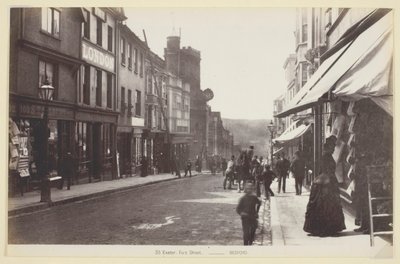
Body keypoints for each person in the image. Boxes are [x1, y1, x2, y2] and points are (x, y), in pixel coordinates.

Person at [303, 142, 346, 237]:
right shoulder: (327, 158)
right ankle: (327, 229)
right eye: (332, 148)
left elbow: (319, 171)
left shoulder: (325, 157)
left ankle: (320, 228)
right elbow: (326, 170)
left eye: (333, 148)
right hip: (328, 182)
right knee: (327, 205)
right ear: (327, 148)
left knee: (321, 205)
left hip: (323, 182)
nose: (333, 149)